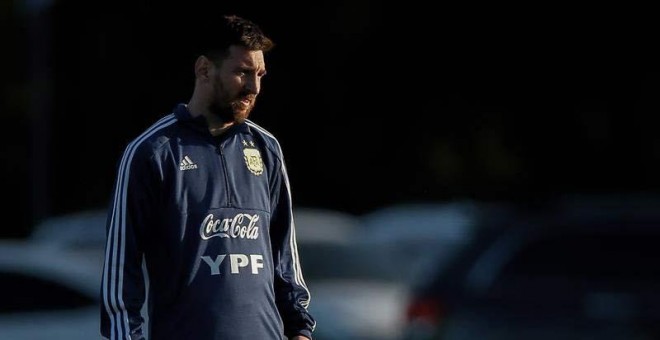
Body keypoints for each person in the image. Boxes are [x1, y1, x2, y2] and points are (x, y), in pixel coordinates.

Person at [100, 14, 315, 340]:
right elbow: (120, 274)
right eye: (243, 72)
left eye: (260, 74)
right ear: (204, 69)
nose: (254, 87)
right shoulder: (152, 153)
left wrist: (300, 330)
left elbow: (285, 260)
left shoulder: (266, 148)